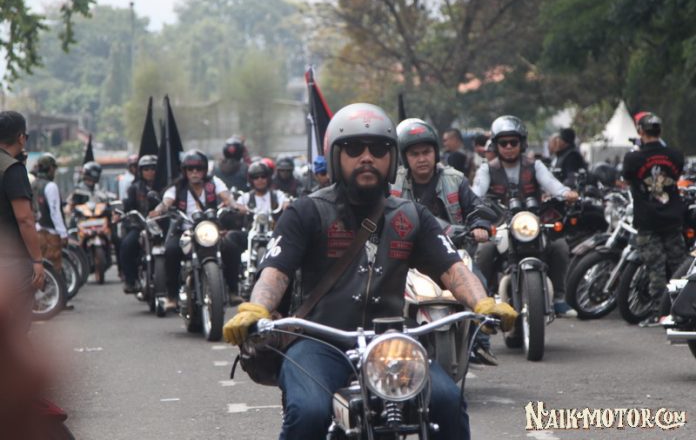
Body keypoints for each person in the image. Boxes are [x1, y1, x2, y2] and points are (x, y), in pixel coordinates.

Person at [222, 103, 517, 440]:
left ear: (391, 158)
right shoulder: (306, 212)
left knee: (447, 401)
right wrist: (257, 308)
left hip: (392, 343)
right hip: (318, 343)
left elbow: (452, 269)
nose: (367, 157)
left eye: (378, 149)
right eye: (353, 149)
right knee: (308, 412)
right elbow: (277, 271)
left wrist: (483, 303)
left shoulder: (411, 216)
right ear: (335, 156)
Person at [391, 118, 498, 365]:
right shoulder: (393, 183)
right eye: (414, 154)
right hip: (406, 256)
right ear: (404, 157)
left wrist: (480, 226)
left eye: (426, 152)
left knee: (479, 282)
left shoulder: (455, 179)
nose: (421, 158)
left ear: (435, 153)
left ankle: (480, 342)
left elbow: (476, 208)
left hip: (453, 253)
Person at [472, 115, 579, 318]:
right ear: (496, 145)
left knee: (560, 246)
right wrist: (471, 205)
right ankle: (482, 300)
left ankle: (558, 298)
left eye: (513, 142)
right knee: (484, 251)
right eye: (504, 143)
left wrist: (567, 193)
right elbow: (476, 193)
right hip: (500, 224)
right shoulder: (487, 169)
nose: (509, 147)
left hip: (531, 222)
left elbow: (552, 185)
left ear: (521, 143)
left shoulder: (535, 165)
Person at [149, 150, 239, 311]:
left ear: (205, 170)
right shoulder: (177, 187)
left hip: (210, 230)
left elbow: (227, 197)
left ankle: (233, 291)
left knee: (231, 247)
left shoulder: (214, 183)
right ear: (185, 171)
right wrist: (159, 210)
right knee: (171, 250)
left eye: (199, 168)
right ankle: (172, 296)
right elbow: (166, 202)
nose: (195, 172)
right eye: (190, 169)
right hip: (186, 231)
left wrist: (234, 205)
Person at [622, 112, 686, 327]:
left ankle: (661, 311)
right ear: (660, 131)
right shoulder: (675, 155)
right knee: (679, 266)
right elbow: (676, 176)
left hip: (647, 220)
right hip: (673, 218)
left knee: (655, 269)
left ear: (640, 131)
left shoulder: (633, 158)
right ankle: (683, 310)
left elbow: (628, 179)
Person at [221, 161, 289, 305]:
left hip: (273, 234)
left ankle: (288, 288)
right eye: (256, 177)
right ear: (251, 179)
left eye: (263, 176)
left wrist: (286, 204)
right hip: (251, 234)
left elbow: (287, 200)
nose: (260, 180)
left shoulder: (278, 195)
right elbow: (235, 205)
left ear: (268, 178)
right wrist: (237, 208)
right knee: (230, 238)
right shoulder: (245, 197)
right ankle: (233, 288)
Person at [0, 111, 44, 325]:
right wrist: (37, 261)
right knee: (16, 327)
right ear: (20, 137)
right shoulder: (12, 169)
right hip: (11, 260)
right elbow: (25, 219)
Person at [120, 155, 158, 294]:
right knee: (126, 246)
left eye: (153, 168)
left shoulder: (164, 186)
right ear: (140, 171)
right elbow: (127, 206)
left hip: (160, 226)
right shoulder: (134, 188)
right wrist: (121, 213)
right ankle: (131, 281)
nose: (150, 172)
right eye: (146, 169)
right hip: (140, 225)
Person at [31, 153, 68, 278]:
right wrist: (63, 234)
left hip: (36, 232)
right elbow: (55, 212)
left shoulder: (33, 184)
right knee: (54, 267)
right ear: (51, 168)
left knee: (42, 267)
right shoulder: (50, 186)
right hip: (50, 234)